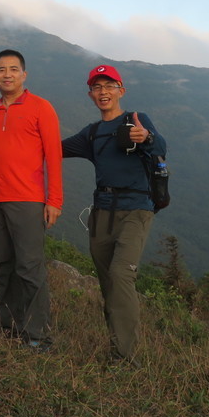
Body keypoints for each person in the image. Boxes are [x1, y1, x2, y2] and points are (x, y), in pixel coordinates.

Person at [61, 64, 167, 363]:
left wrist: (145, 137)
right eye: (97, 87)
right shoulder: (92, 133)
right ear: (90, 94)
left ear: (121, 90)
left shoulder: (136, 120)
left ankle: (125, 355)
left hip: (136, 210)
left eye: (109, 86)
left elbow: (161, 145)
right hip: (102, 212)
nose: (103, 92)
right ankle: (116, 344)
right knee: (108, 281)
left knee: (121, 274)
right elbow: (53, 149)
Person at [0, 49, 63, 349]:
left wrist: (54, 199)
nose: (7, 74)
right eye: (1, 69)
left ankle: (38, 335)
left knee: (29, 268)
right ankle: (10, 326)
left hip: (29, 200)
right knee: (4, 266)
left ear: (24, 74)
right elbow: (2, 147)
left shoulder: (41, 107)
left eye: (13, 69)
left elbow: (53, 157)